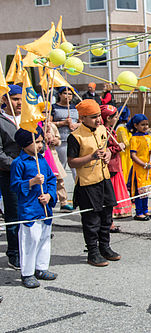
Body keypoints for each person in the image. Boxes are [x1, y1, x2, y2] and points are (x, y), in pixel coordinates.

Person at [67, 99, 120, 267]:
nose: (98, 120)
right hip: (87, 183)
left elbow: (107, 150)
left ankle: (105, 247)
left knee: (106, 216)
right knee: (91, 220)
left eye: (98, 116)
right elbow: (72, 162)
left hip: (104, 179)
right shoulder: (75, 137)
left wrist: (107, 155)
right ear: (82, 118)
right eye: (93, 117)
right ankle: (93, 252)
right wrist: (91, 157)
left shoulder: (103, 129)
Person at [10, 126, 57, 288]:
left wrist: (49, 195)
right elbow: (15, 186)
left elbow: (51, 180)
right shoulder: (18, 163)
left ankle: (41, 267)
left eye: (41, 141)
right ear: (24, 144)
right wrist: (31, 182)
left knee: (44, 238)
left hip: (44, 208)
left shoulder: (42, 160)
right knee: (30, 239)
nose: (40, 145)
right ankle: (27, 273)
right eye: (36, 142)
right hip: (29, 208)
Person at [0, 85, 22, 270]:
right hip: (10, 175)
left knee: (30, 214)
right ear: (4, 100)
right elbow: (0, 154)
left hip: (31, 175)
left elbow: (37, 144)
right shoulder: (1, 121)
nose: (19, 102)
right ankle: (14, 254)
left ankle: (29, 252)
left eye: (21, 98)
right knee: (14, 215)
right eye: (15, 99)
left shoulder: (29, 119)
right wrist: (17, 166)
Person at [101, 104, 132, 222]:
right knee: (110, 194)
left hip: (115, 164)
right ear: (108, 118)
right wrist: (119, 147)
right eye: (115, 116)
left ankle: (111, 219)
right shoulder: (104, 131)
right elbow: (106, 149)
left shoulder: (110, 129)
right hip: (110, 166)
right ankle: (109, 220)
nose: (117, 118)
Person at [127, 114, 151, 221]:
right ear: (135, 125)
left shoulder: (149, 137)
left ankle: (145, 210)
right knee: (139, 192)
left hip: (149, 169)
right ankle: (139, 212)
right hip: (139, 169)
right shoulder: (134, 139)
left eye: (147, 124)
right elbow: (133, 156)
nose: (145, 126)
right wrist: (143, 164)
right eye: (142, 124)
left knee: (146, 191)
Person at [41, 109, 71, 212]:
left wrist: (55, 141)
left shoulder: (52, 126)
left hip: (53, 155)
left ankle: (64, 201)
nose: (46, 115)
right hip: (43, 155)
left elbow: (59, 140)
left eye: (48, 113)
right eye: (43, 112)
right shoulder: (37, 126)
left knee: (59, 179)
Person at [51, 86, 79, 182]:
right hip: (61, 141)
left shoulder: (76, 107)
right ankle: (59, 190)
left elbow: (82, 122)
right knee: (61, 165)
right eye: (65, 93)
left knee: (75, 167)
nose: (68, 96)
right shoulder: (54, 107)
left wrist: (75, 125)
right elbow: (49, 123)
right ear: (60, 94)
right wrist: (62, 123)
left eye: (70, 94)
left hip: (75, 139)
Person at [115, 104, 132, 183]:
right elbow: (126, 143)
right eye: (129, 116)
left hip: (127, 154)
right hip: (123, 155)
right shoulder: (121, 128)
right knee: (125, 172)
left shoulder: (125, 127)